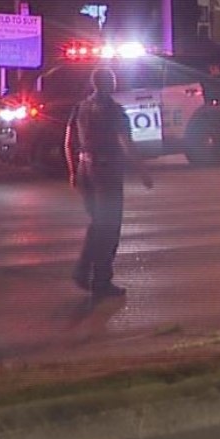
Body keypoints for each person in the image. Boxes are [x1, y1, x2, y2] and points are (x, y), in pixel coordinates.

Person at [64, 67, 152, 297]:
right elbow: (127, 142)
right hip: (107, 172)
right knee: (109, 228)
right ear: (110, 84)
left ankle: (83, 271)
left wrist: (73, 171)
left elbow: (68, 140)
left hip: (85, 169)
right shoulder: (114, 110)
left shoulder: (81, 107)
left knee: (96, 224)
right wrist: (143, 170)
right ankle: (101, 280)